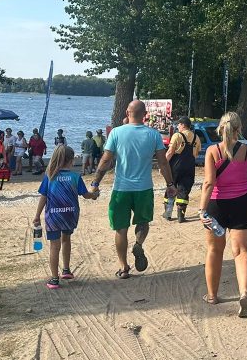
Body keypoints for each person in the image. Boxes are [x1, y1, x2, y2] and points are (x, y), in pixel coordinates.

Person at [89, 100, 176, 279]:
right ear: (145, 114)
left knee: (120, 229)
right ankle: (138, 243)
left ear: (127, 112)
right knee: (142, 222)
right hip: (144, 188)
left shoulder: (116, 133)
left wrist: (95, 183)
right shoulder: (153, 135)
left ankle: (123, 267)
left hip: (121, 188)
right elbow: (162, 162)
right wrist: (170, 184)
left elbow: (106, 160)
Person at [199, 112, 247, 314]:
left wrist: (202, 209)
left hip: (217, 205)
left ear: (220, 129)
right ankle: (244, 294)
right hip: (243, 203)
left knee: (215, 250)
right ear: (239, 129)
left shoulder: (212, 151)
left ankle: (212, 295)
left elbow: (208, 182)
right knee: (242, 251)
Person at [33, 145, 94, 290]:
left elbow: (44, 197)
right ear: (71, 161)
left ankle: (54, 279)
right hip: (70, 215)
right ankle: (66, 270)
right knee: (66, 239)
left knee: (55, 246)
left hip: (53, 216)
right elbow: (85, 195)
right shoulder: (75, 177)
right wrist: (94, 195)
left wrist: (37, 215)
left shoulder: (50, 176)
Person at [164, 116, 201, 222]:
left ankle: (168, 214)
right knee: (184, 190)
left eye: (179, 124)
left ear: (183, 125)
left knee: (171, 187)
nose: (177, 126)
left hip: (175, 166)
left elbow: (170, 152)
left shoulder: (177, 135)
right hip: (189, 166)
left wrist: (164, 165)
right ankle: (181, 216)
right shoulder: (196, 138)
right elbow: (196, 155)